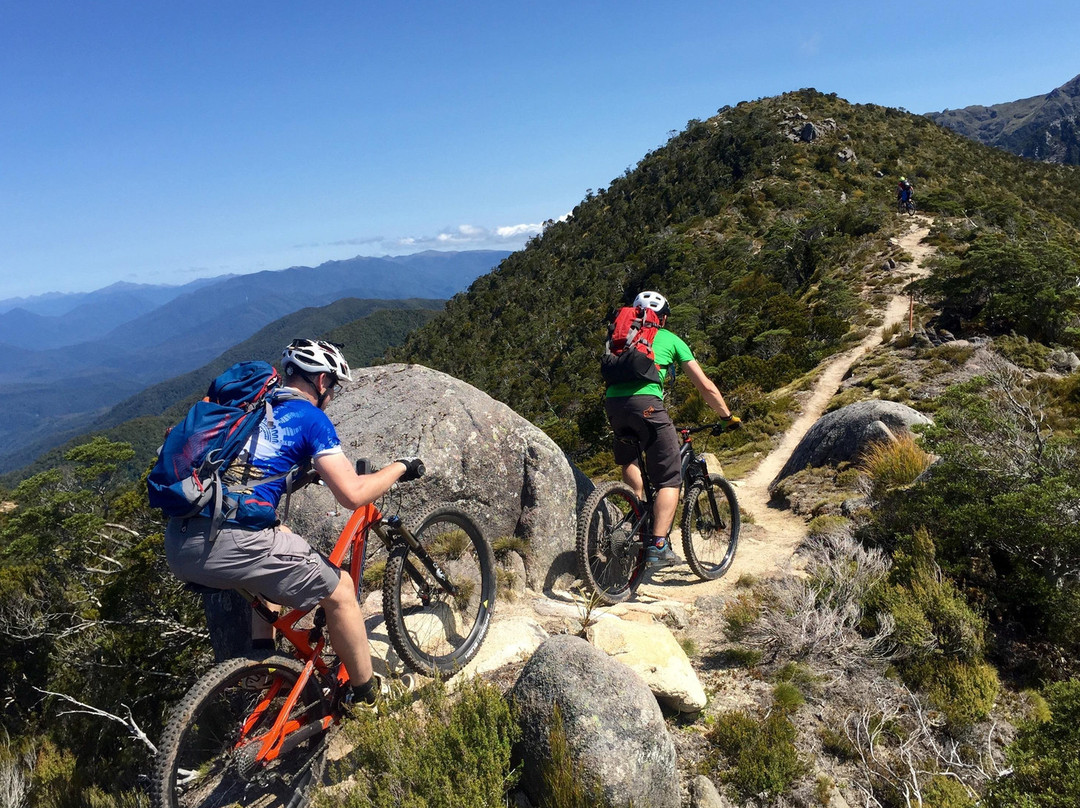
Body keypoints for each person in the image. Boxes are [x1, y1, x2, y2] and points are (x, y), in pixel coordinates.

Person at [163, 339, 422, 709]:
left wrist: (298, 474)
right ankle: (367, 698)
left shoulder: (252, 409)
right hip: (229, 541)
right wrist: (399, 467)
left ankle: (261, 666)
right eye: (332, 385)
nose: (331, 394)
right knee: (342, 589)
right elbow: (352, 494)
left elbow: (248, 467)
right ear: (320, 382)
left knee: (278, 536)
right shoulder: (309, 418)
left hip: (180, 540)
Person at [603, 291, 739, 566]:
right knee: (669, 479)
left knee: (631, 457)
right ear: (662, 318)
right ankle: (658, 546)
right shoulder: (670, 339)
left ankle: (636, 508)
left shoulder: (621, 339)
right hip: (648, 406)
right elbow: (705, 386)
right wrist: (726, 416)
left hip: (614, 405)